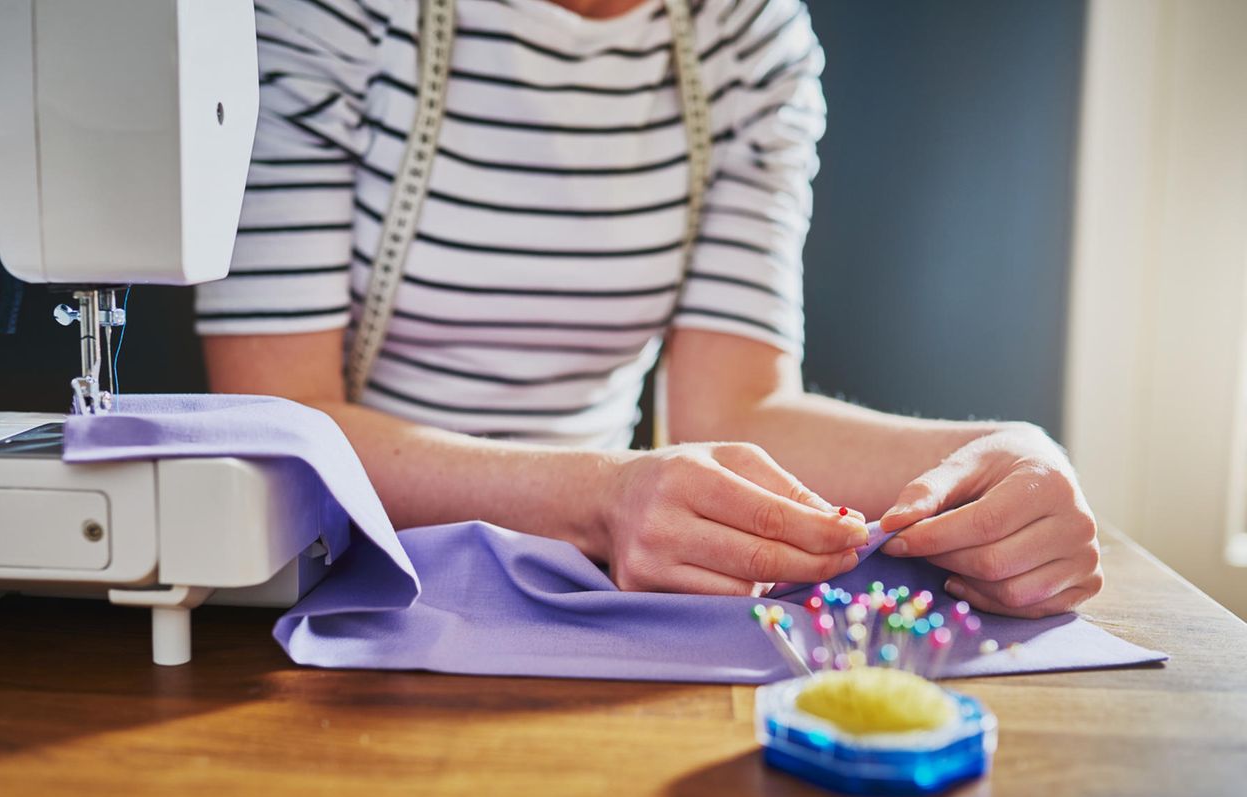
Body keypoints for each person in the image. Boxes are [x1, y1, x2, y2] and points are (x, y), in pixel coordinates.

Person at [195, 0, 1102, 618]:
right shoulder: (333, 18)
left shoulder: (743, 35)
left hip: (601, 579)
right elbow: (286, 419)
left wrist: (991, 461)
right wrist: (595, 497)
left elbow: (734, 413)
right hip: (349, 576)